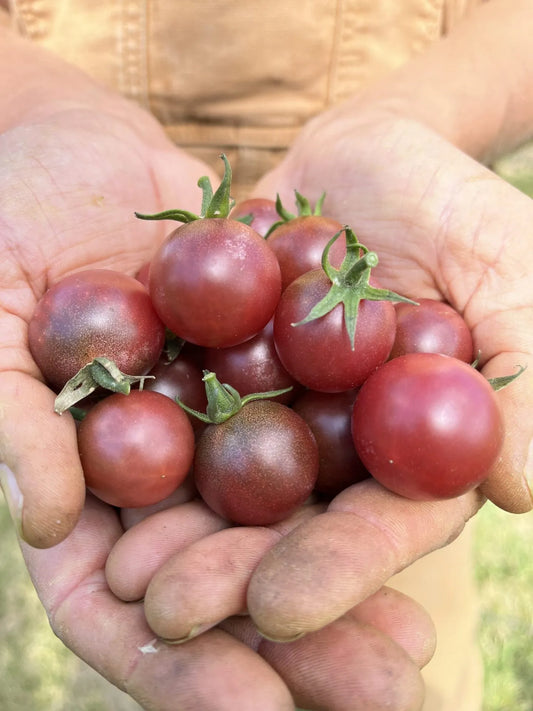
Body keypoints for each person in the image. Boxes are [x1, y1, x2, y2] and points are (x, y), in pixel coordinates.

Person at [0, 1, 532, 709]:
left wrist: (415, 118)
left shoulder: (359, 320)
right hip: (116, 201)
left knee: (392, 660)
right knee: (172, 633)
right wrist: (42, 106)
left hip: (370, 258)